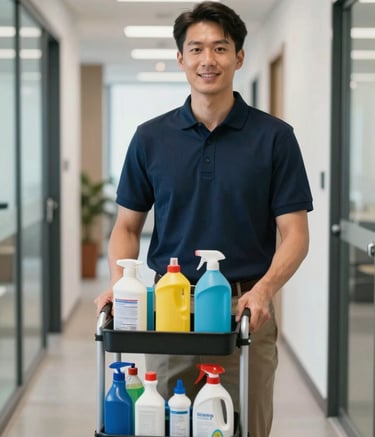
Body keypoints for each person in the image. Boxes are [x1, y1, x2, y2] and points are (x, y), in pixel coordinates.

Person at [95, 2, 313, 436]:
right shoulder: (150, 138)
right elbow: (126, 226)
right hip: (167, 313)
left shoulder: (274, 138)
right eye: (196, 49)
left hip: (243, 311)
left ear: (239, 58)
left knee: (244, 427)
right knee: (165, 424)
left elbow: (295, 234)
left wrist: (265, 290)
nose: (207, 60)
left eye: (220, 48)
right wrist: (121, 285)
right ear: (181, 58)